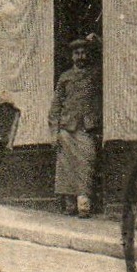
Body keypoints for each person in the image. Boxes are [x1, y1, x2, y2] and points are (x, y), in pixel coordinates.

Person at [50, 35, 102, 218]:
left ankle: (84, 206)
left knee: (86, 164)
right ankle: (70, 205)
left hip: (86, 128)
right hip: (67, 128)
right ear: (72, 57)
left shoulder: (95, 74)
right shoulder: (65, 77)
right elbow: (56, 105)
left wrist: (96, 41)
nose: (80, 56)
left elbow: (107, 58)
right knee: (66, 167)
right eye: (77, 53)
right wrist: (54, 132)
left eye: (83, 53)